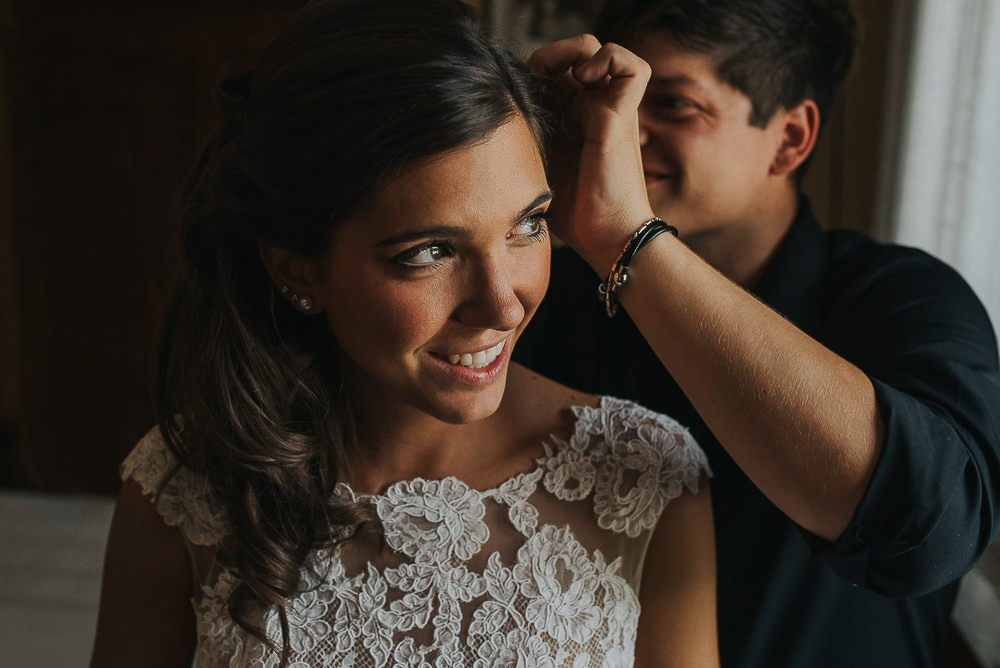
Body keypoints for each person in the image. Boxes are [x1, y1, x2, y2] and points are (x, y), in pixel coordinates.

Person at [89, 0, 717, 666]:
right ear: (298, 268)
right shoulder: (183, 485)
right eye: (429, 252)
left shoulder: (642, 476)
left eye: (528, 225)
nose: (503, 306)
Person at [515, 1, 1000, 667]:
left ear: (791, 138)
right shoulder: (541, 293)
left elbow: (928, 531)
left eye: (674, 104)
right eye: (612, 99)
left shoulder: (905, 297)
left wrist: (629, 240)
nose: (622, 131)